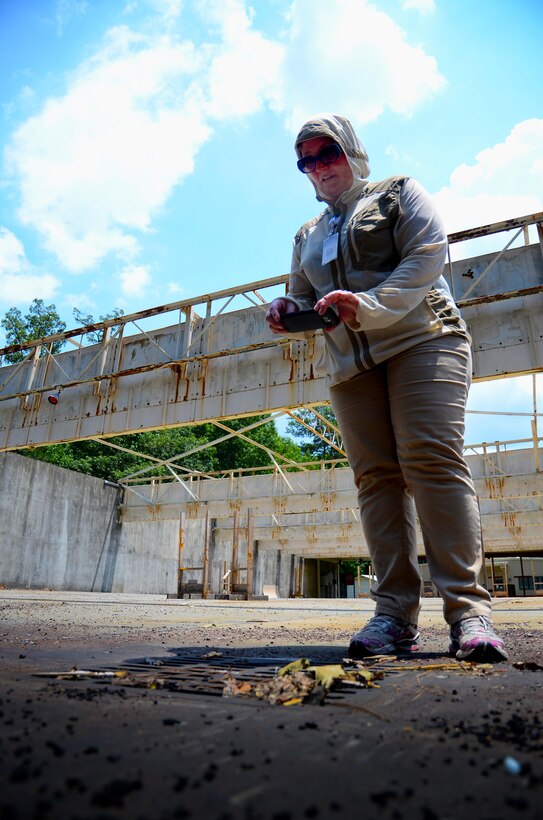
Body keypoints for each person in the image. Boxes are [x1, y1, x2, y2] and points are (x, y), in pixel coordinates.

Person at [265, 113, 507, 663]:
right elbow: (303, 294)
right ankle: (393, 615)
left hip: (423, 338)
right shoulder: (308, 233)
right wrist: (288, 309)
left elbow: (426, 258)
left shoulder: (399, 192)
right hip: (352, 363)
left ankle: (469, 612)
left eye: (328, 153)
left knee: (430, 458)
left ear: (352, 150)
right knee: (376, 477)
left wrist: (369, 306)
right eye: (307, 161)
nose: (318, 167)